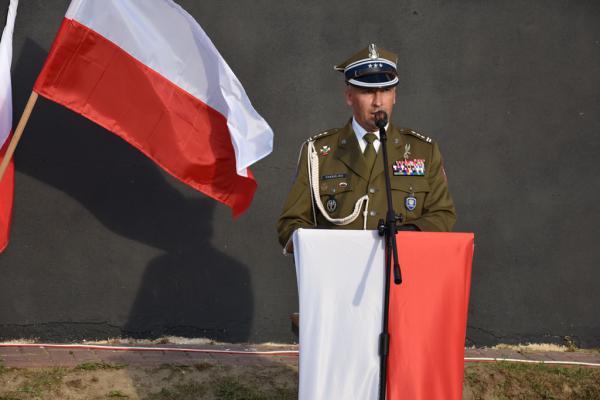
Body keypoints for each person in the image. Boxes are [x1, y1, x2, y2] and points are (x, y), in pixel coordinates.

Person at [277, 44, 456, 253]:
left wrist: (410, 234)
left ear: (395, 95)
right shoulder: (318, 152)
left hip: (401, 275)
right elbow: (290, 224)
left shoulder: (423, 151)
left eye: (386, 90)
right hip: (339, 278)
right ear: (349, 96)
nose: (378, 102)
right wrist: (320, 247)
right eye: (368, 91)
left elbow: (443, 214)